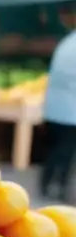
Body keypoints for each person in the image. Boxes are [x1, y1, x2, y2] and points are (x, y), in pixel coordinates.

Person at [43, 28, 76, 203]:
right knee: (65, 153)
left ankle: (46, 185)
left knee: (52, 151)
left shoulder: (67, 42)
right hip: (71, 113)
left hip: (53, 108)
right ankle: (59, 188)